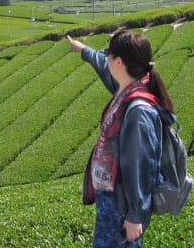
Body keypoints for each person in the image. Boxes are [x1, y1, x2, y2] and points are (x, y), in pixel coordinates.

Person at [67, 31, 176, 247]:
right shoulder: (125, 89)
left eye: (108, 55)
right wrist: (83, 50)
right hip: (111, 198)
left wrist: (136, 214)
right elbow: (102, 65)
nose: (104, 58)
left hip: (123, 205)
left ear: (119, 62)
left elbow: (141, 165)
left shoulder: (138, 111)